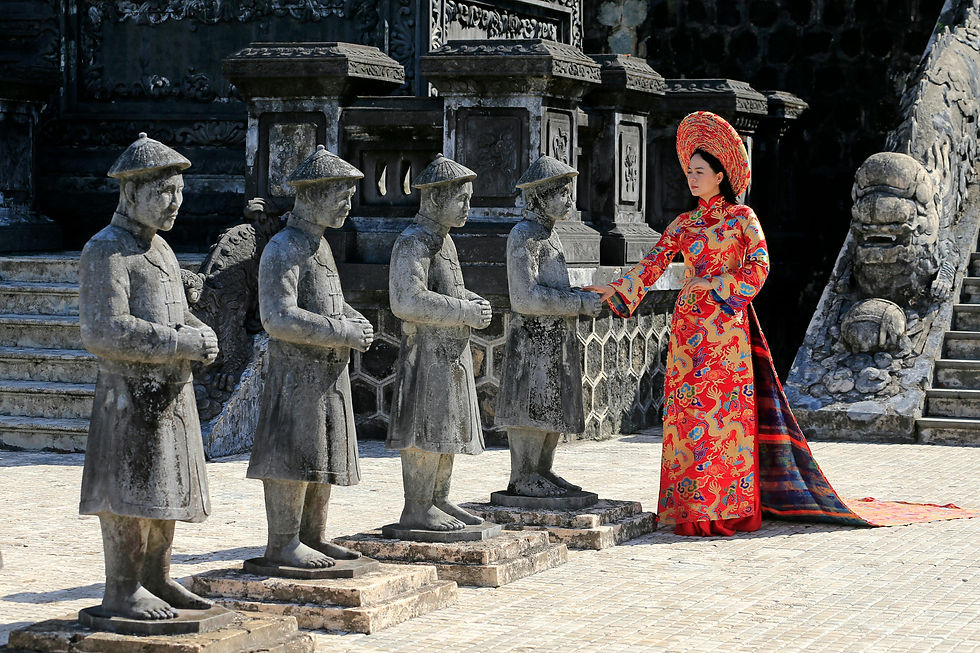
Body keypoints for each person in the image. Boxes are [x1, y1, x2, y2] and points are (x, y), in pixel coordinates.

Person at [585, 111, 873, 536]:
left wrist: (714, 281)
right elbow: (654, 263)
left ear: (720, 175)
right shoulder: (685, 223)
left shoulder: (743, 218)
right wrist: (618, 289)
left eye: (699, 171)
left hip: (726, 328)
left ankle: (729, 510)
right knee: (688, 417)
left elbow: (759, 268)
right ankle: (690, 508)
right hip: (688, 331)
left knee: (724, 419)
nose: (692, 178)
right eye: (688, 171)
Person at [79, 133, 218, 618]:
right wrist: (181, 343)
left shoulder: (162, 251)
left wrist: (201, 333)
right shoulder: (106, 250)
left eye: (179, 192)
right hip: (128, 395)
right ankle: (122, 588)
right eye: (164, 192)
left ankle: (156, 578)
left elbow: (179, 312)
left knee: (165, 487)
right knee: (128, 491)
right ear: (130, 193)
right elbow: (105, 330)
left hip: (171, 393)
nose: (175, 203)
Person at [247, 145, 374, 568]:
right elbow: (278, 316)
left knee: (323, 451)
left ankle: (313, 535)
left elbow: (330, 302)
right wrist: (342, 330)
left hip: (326, 371)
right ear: (312, 195)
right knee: (292, 453)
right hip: (295, 373)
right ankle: (283, 542)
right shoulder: (284, 247)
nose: (347, 206)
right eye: (341, 196)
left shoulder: (319, 246)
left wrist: (354, 319)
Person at [387, 154, 492, 532]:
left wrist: (472, 301)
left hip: (449, 352)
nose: (468, 206)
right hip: (426, 353)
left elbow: (450, 290)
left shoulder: (443, 240)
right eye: (461, 199)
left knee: (446, 426)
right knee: (424, 429)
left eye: (469, 198)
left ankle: (439, 497)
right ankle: (417, 505)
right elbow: (407, 300)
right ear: (433, 200)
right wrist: (465, 310)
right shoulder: (413, 243)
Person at [496, 155, 602, 497]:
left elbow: (552, 288)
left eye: (568, 193)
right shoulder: (523, 236)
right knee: (531, 406)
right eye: (561, 194)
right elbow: (524, 298)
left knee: (554, 405)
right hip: (531, 338)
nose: (569, 201)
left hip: (555, 336)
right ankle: (523, 474)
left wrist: (577, 297)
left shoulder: (550, 236)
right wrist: (576, 303)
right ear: (538, 198)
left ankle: (543, 470)